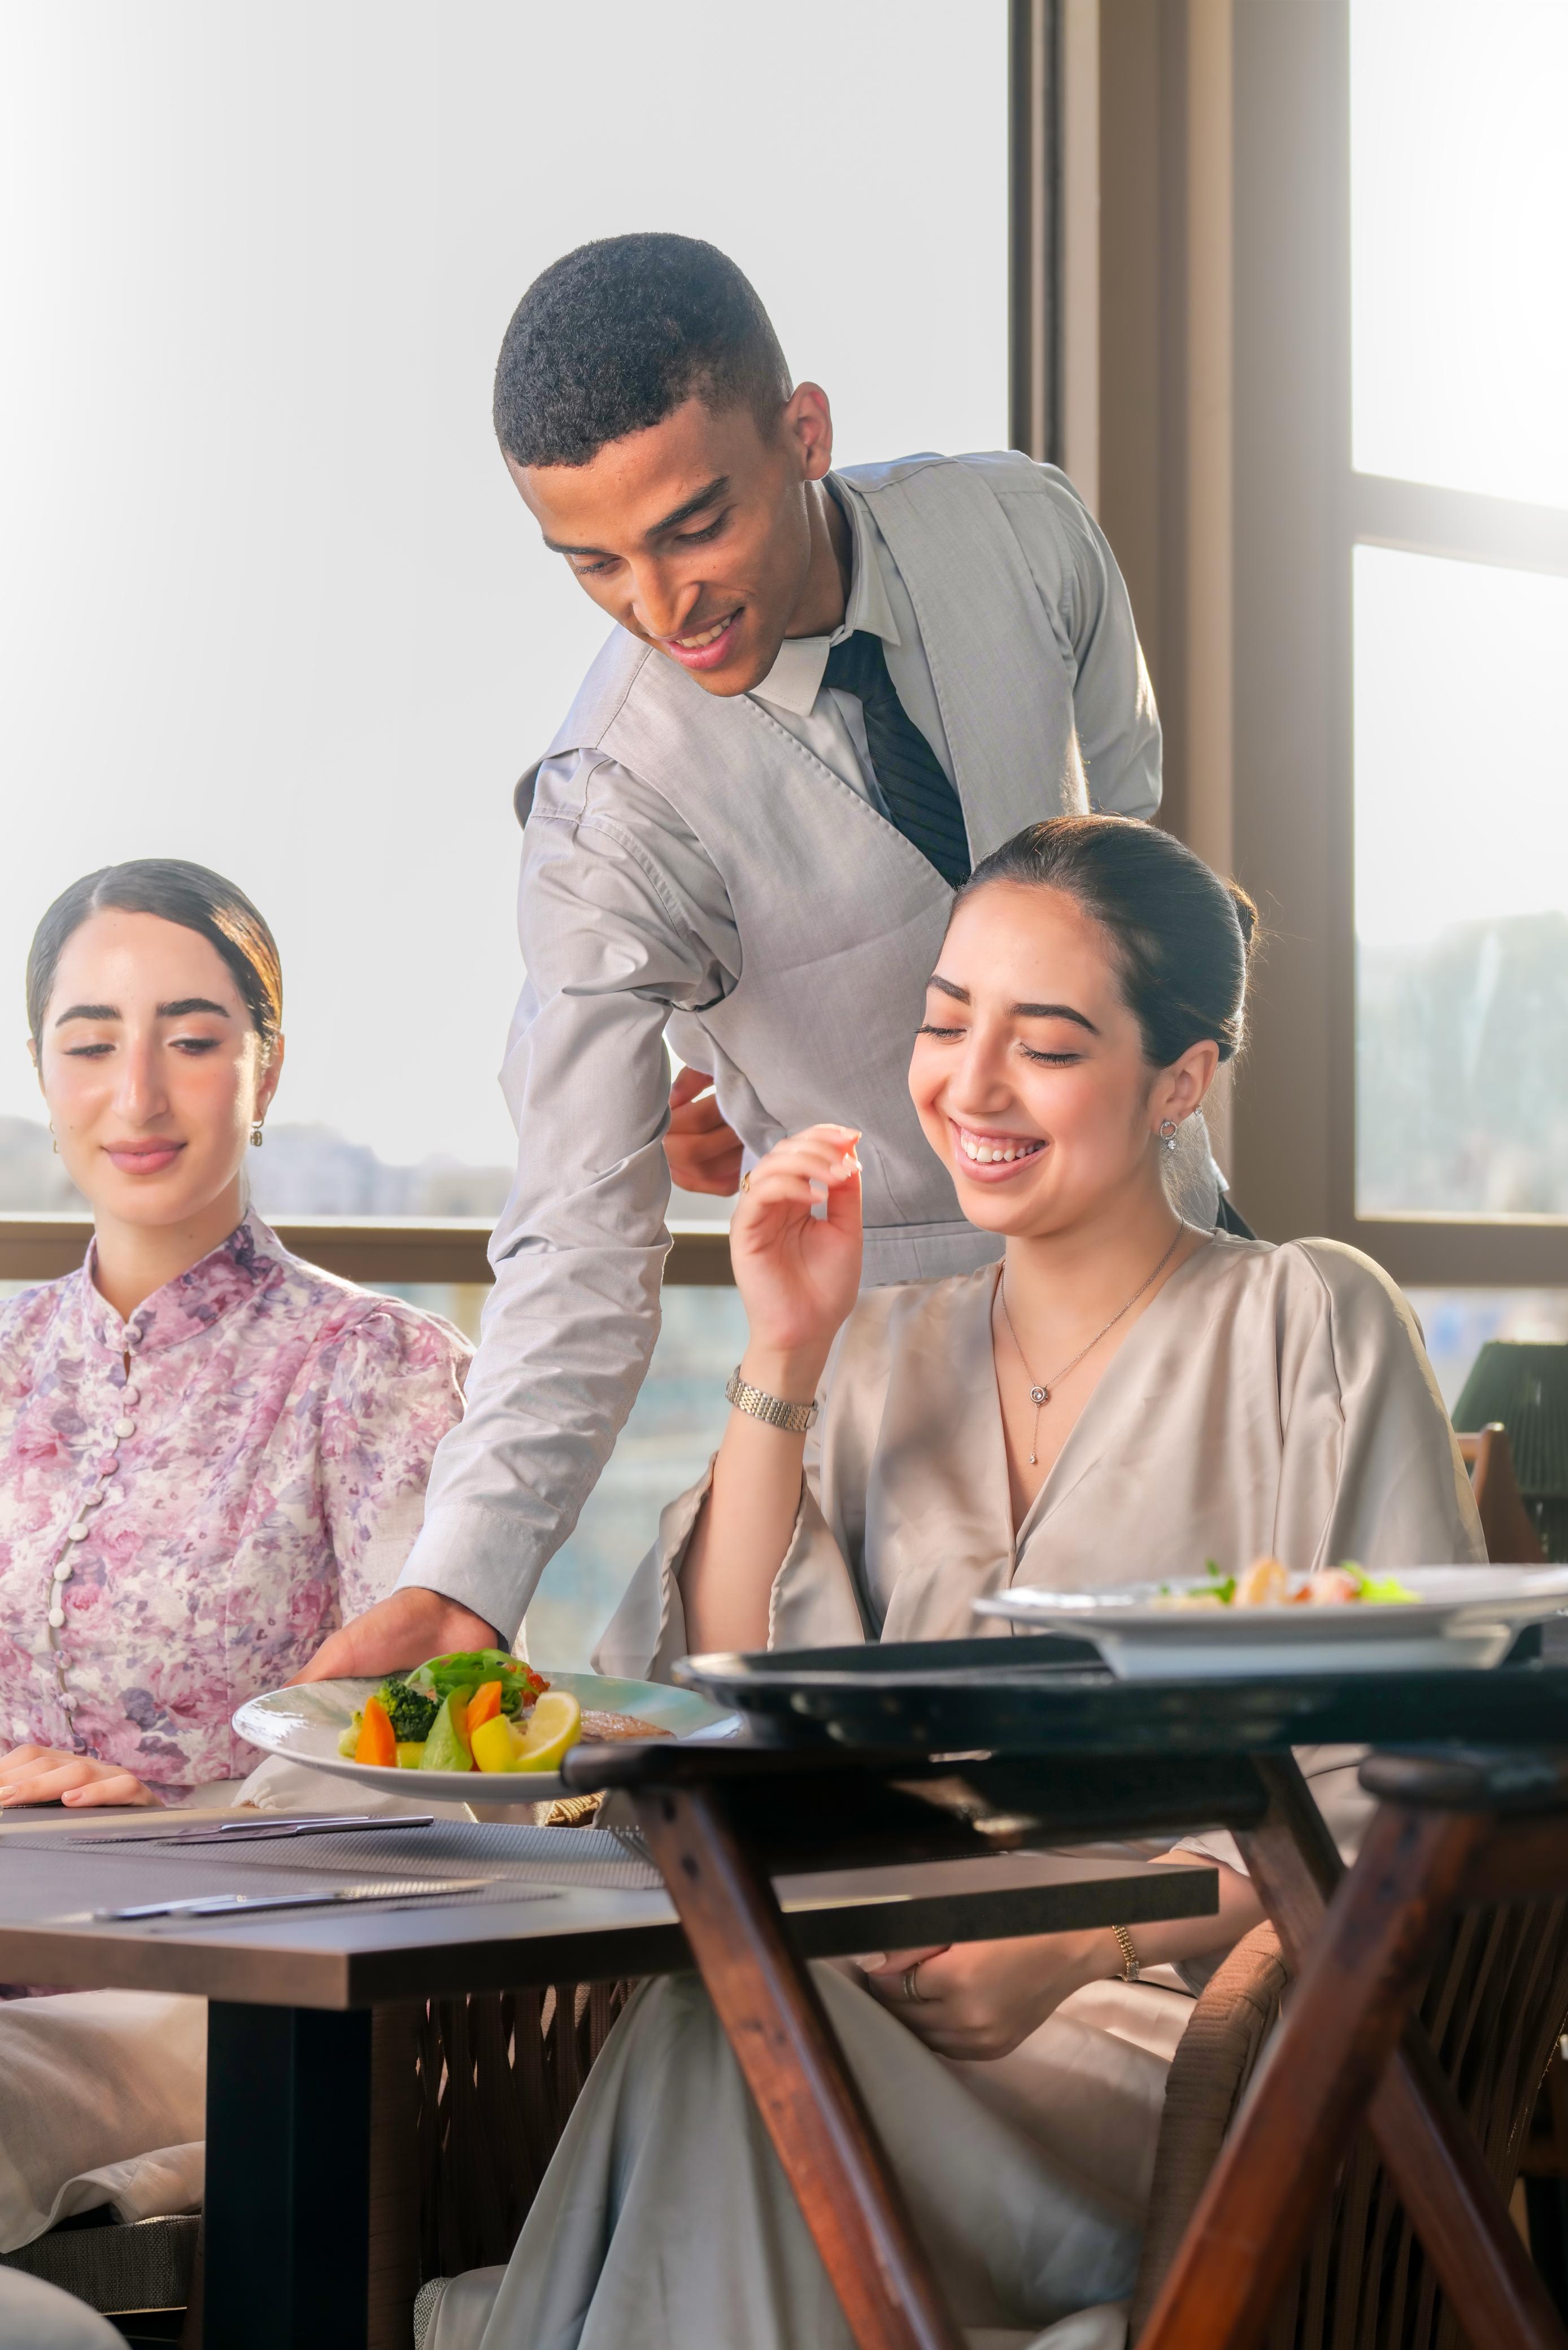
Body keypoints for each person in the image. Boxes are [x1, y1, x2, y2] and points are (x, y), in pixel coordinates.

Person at [432, 816, 1482, 2350]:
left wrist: (1082, 1945)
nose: (971, 1087)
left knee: (727, 2045)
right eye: (945, 1022)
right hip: (870, 1988)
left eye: (1045, 1044)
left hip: (1184, 2041)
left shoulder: (1306, 1324)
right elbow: (718, 1705)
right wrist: (783, 1352)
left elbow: (1399, 1802)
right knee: (715, 2028)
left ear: (1181, 1075)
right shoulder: (885, 1347)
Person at [309, 230, 1197, 1682]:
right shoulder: (605, 816)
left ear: (804, 433)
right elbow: (574, 1233)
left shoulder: (1021, 529)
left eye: (692, 527)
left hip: (1175, 1267)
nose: (662, 610)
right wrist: (462, 1582)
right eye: (592, 563)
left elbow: (1132, 833)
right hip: (908, 1396)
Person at [0, 858, 470, 2254]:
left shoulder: (375, 1368)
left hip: (220, 1980)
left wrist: (178, 1816)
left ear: (266, 1069)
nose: (137, 1095)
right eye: (91, 1044)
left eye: (193, 1041)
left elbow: (431, 1742)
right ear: (41, 1067)